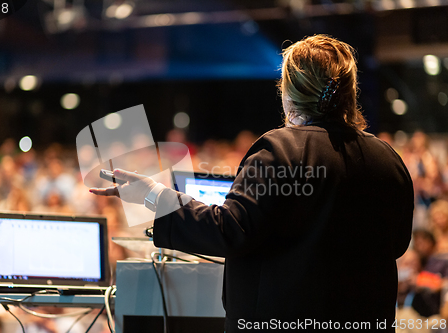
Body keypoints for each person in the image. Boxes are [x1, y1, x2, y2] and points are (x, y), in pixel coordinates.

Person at [90, 35, 413, 332]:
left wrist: (153, 195)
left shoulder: (279, 149)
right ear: (349, 93)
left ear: (289, 93)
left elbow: (230, 230)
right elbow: (397, 243)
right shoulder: (387, 158)